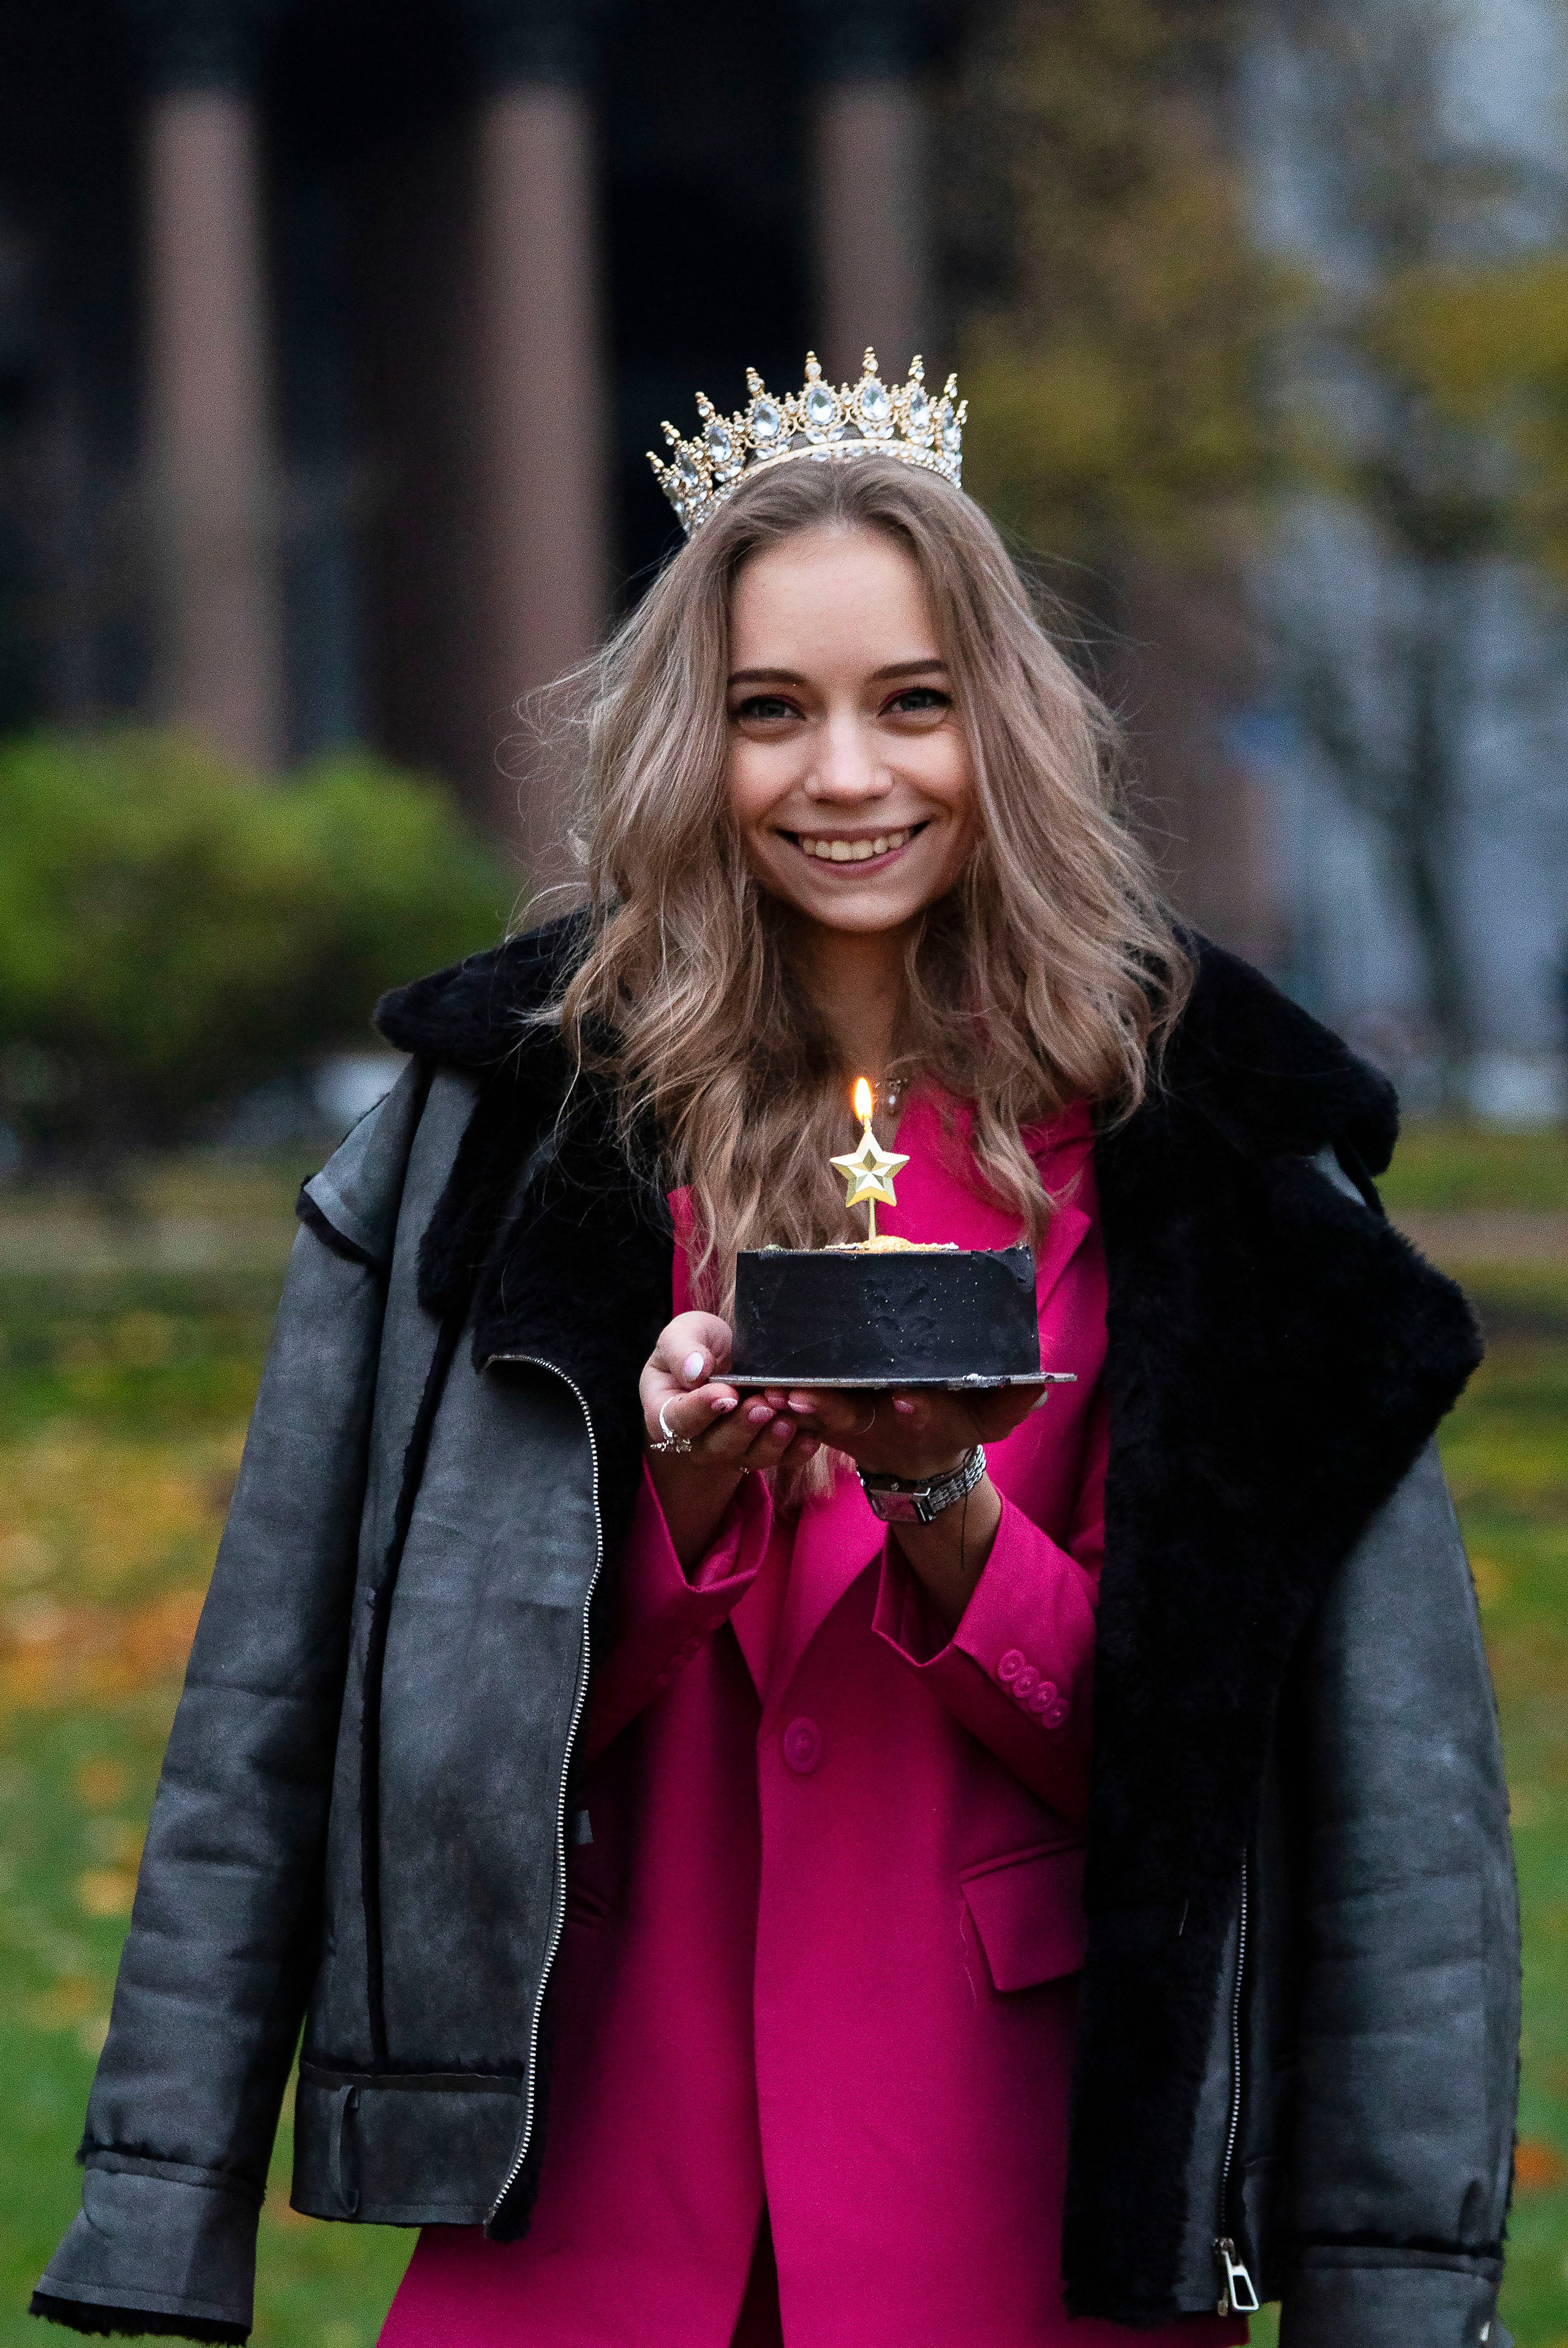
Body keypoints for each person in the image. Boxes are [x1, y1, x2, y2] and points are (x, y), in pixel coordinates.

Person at [34, 355, 1518, 2348]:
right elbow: (280, 1709)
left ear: (1007, 727)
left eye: (913, 702)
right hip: (585, 2228)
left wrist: (946, 1513)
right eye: (770, 709)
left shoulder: (1225, 1166)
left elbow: (1340, 1788)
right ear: (689, 742)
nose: (846, 775)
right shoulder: (489, 1139)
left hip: (1010, 2222)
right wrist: (671, 1504)